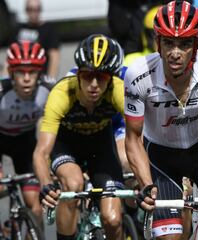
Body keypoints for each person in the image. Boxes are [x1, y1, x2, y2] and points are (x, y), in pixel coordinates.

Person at [124, 1, 198, 239]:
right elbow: (133, 139)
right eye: (168, 42)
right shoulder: (138, 75)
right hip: (161, 160)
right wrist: (146, 185)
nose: (175, 52)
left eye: (184, 44)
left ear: (196, 45)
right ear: (158, 43)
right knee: (171, 237)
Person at [33, 34, 125, 240]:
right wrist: (46, 183)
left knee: (112, 219)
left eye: (101, 77)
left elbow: (141, 136)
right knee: (73, 185)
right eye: (86, 75)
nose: (93, 83)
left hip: (100, 145)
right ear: (78, 74)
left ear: (111, 78)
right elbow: (41, 152)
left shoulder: (118, 91)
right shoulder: (62, 93)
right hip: (67, 145)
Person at [0, 40, 50, 229]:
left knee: (35, 208)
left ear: (40, 73)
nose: (27, 78)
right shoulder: (2, 91)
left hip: (25, 144)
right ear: (12, 73)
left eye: (33, 72)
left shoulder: (48, 89)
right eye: (21, 72)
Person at [12, 0, 60, 79]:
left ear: (40, 10)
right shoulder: (18, 29)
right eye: (30, 9)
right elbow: (10, 55)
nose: (33, 13)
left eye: (36, 9)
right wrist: (4, 78)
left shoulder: (49, 29)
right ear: (26, 10)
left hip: (39, 76)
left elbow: (54, 57)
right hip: (19, 76)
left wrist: (51, 79)